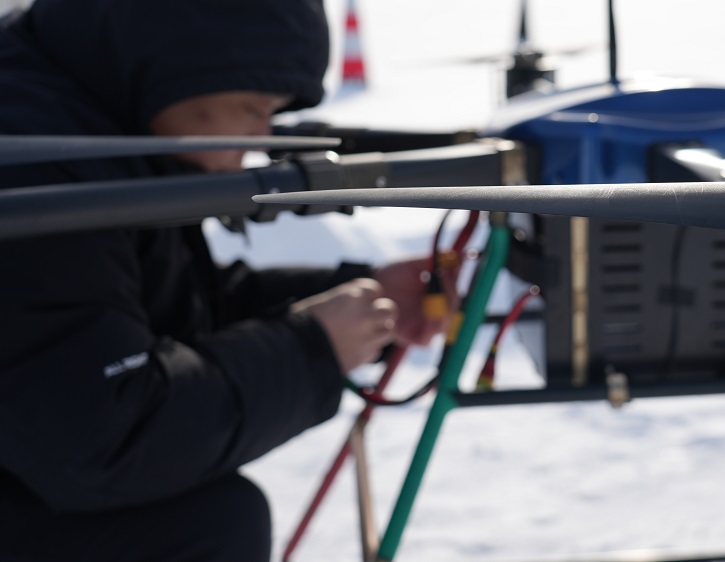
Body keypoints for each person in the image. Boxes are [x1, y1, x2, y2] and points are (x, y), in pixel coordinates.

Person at [0, 0, 452, 560]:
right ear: (178, 63)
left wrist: (355, 299)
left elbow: (137, 313)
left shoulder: (88, 114)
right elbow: (100, 438)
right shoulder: (34, 162)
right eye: (252, 107)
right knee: (206, 525)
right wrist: (310, 348)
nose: (260, 137)